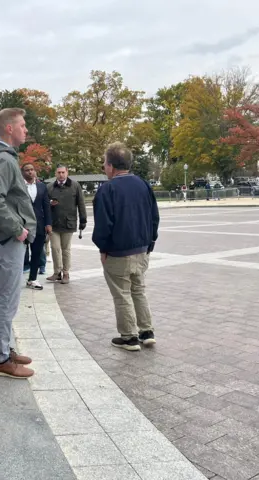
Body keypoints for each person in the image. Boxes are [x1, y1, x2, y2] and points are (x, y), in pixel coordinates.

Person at [0, 108, 36, 378]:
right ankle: (1, 358)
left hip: (9, 238)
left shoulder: (4, 158)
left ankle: (2, 349)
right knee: (7, 298)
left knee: (6, 297)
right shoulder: (4, 160)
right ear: (10, 129)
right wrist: (17, 229)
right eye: (23, 126)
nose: (26, 130)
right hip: (10, 238)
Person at [93, 142, 160, 352]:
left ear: (111, 166)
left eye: (105, 163)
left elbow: (104, 224)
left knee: (122, 294)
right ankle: (146, 331)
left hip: (118, 252)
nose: (104, 167)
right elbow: (154, 217)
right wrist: (150, 242)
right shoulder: (143, 184)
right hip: (141, 249)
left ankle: (129, 336)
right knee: (139, 290)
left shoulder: (107, 189)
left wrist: (103, 248)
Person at [46, 165, 87, 284]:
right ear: (55, 173)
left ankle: (66, 273)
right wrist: (49, 203)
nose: (61, 175)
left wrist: (83, 219)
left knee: (66, 249)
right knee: (54, 248)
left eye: (63, 172)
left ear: (67, 172)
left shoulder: (75, 185)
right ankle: (56, 272)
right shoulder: (49, 187)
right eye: (59, 172)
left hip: (69, 222)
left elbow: (81, 203)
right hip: (54, 223)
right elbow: (44, 204)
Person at [21, 163, 52, 290]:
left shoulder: (42, 186)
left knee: (36, 253)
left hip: (39, 224)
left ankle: (32, 279)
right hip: (22, 225)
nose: (30, 172)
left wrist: (48, 223)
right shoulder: (18, 186)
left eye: (32, 169)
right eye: (27, 170)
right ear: (22, 172)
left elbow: (46, 206)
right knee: (20, 253)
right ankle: (15, 279)